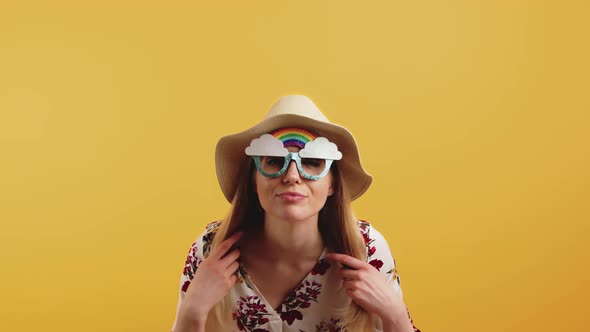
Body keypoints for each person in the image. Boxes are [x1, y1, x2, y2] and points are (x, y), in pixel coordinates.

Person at [171, 95, 421, 332]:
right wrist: (192, 310)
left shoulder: (367, 250)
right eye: (274, 161)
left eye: (312, 162)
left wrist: (394, 314)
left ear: (332, 184)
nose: (291, 176)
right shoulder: (210, 250)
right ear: (253, 181)